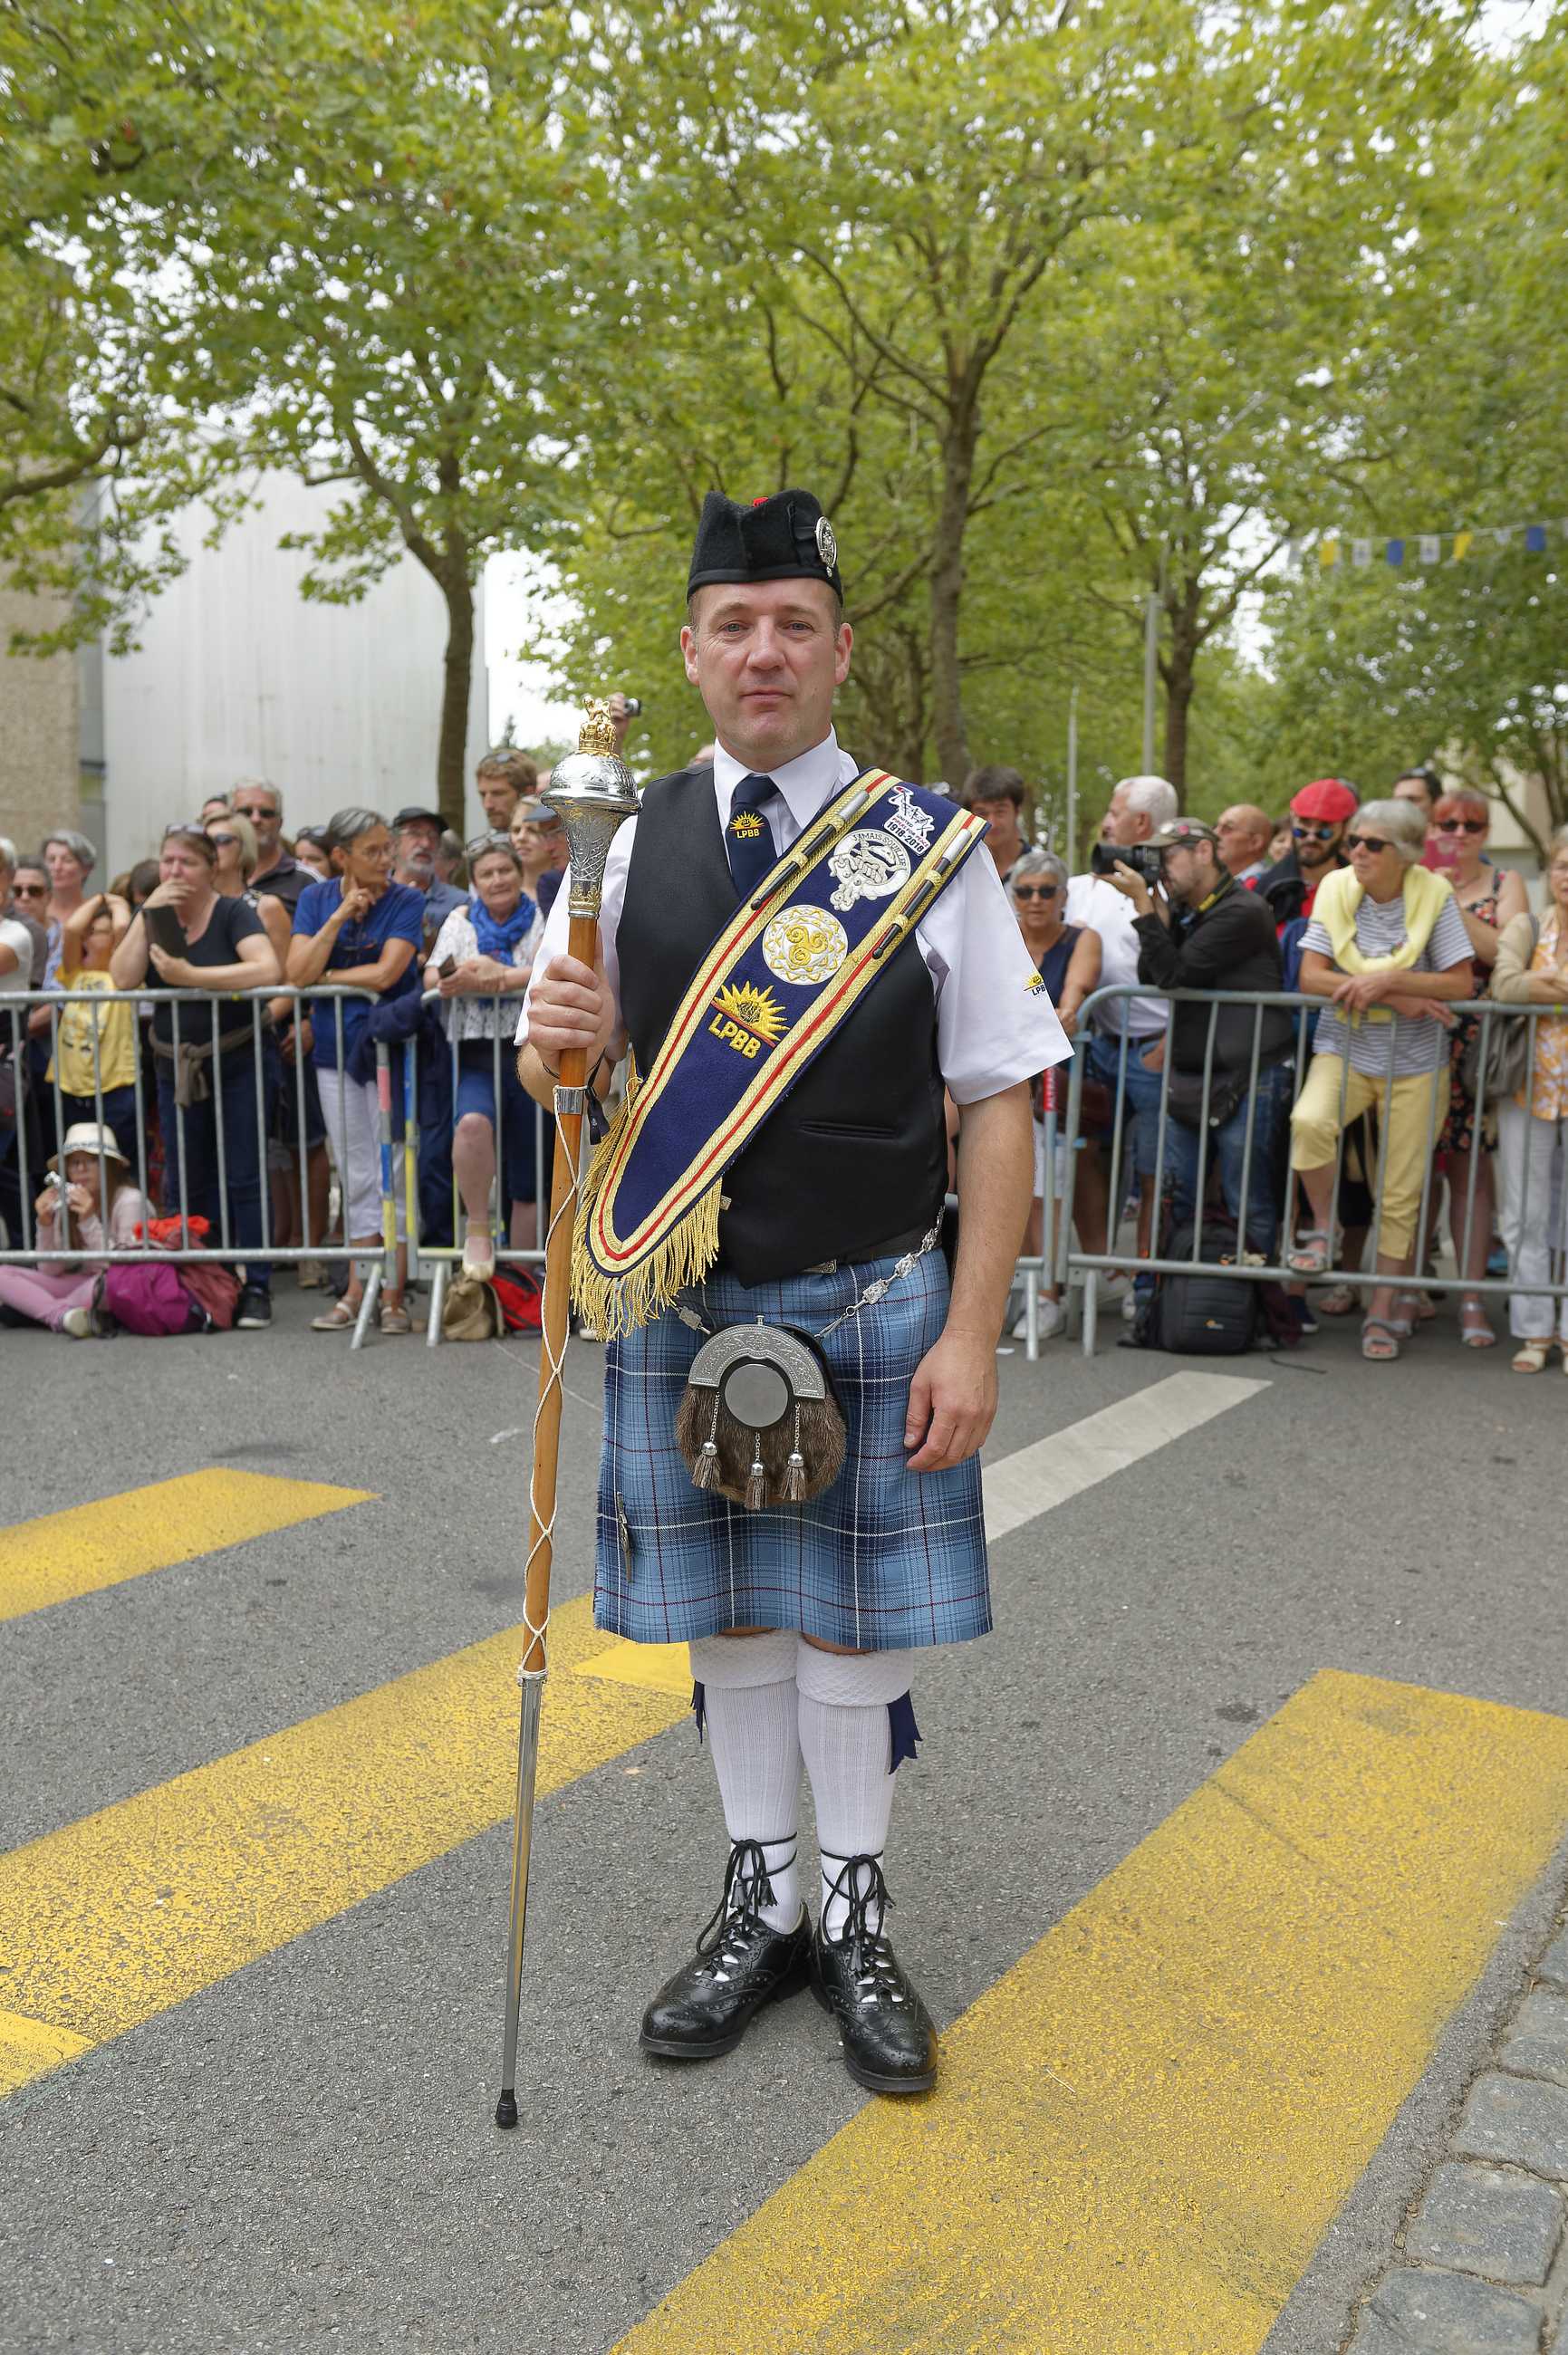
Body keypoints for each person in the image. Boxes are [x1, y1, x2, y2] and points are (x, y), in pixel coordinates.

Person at [520, 487, 1067, 2097]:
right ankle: (765, 1896)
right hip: (691, 1301)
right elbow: (581, 1072)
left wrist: (971, 1334)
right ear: (692, 652)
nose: (765, 652)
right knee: (739, 1624)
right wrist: (555, 1035)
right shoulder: (623, 848)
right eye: (735, 625)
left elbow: (997, 1103)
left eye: (796, 626)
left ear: (841, 655)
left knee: (850, 1640)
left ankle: (854, 1909)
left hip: (877, 1289)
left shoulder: (931, 849)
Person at [1287, 799, 1474, 1360]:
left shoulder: (1433, 893)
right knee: (1309, 1121)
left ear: (1406, 854)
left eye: (1372, 844)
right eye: (1355, 842)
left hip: (1416, 1061)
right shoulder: (1336, 888)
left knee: (1400, 1191)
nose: (1357, 852)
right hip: (1344, 1045)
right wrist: (1401, 996)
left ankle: (1383, 1310)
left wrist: (1386, 981)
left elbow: (1462, 984)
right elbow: (1310, 976)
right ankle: (1324, 1230)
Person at [110, 825, 283, 1328]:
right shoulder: (156, 916)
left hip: (236, 1058)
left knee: (244, 1173)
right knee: (187, 1176)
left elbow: (265, 967)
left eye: (186, 863)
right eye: (167, 862)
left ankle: (256, 1285)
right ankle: (202, 1278)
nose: (174, 872)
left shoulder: (232, 911)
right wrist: (147, 912)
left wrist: (192, 979)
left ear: (211, 870)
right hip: (173, 1066)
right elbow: (121, 977)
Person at [1110, 816, 1294, 1260]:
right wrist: (1158, 913)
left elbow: (1175, 974)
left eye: (1169, 855)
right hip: (1196, 1074)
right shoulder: (1195, 909)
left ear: (1205, 852)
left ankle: (1257, 1309)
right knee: (1179, 1196)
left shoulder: (1241, 910)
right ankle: (1176, 1311)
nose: (1161, 867)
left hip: (1248, 1076)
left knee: (1245, 1198)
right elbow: (1149, 973)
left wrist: (1143, 906)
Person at [287, 808, 424, 1334]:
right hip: (333, 1053)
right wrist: (339, 917)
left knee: (395, 1169)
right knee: (356, 1171)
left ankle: (394, 1296)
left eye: (388, 848)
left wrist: (327, 974)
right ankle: (354, 1289)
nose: (387, 860)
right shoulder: (316, 898)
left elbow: (390, 971)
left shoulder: (406, 899)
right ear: (341, 856)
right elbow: (295, 974)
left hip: (387, 1049)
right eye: (373, 851)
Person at [1065, 774, 1178, 1316]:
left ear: (1142, 824)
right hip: (1096, 1043)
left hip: (1157, 1049)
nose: (1105, 820)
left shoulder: (1170, 885)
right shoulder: (1085, 883)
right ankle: (1100, 1264)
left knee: (1156, 1168)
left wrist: (1172, 1039)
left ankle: (1146, 1284)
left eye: (1115, 811)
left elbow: (1183, 969)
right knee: (1084, 1154)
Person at [1425, 788, 1528, 1349]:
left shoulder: (1504, 883)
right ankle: (1407, 1289)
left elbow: (1505, 955)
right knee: (1411, 1171)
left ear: (1486, 832)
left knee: (1469, 1173)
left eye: (1472, 824)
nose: (1460, 833)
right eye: (1448, 823)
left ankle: (1469, 1298)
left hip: (1477, 1048)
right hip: (1417, 1036)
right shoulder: (1413, 874)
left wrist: (1446, 908)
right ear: (1433, 827)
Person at [426, 833, 541, 1274]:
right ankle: (478, 1229)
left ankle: (522, 1279)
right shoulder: (460, 921)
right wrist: (460, 978)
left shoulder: (538, 916)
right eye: (487, 874)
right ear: (474, 882)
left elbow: (551, 965)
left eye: (504, 870)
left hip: (529, 1049)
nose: (498, 880)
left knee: (527, 1159)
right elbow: (433, 976)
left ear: (517, 872)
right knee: (472, 1125)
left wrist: (502, 977)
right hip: (474, 1052)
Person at [1008, 849, 1100, 1341]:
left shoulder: (1082, 939)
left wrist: (1062, 1014)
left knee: (1048, 1183)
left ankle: (1048, 1292)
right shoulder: (1003, 936)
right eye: (1025, 891)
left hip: (1058, 1076)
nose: (1036, 900)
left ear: (1064, 897)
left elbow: (1074, 1000)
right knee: (1003, 1181)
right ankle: (1015, 1284)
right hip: (1004, 1075)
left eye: (1047, 891)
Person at [1491, 829, 1568, 1371]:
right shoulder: (1528, 925)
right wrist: (1547, 978)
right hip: (1527, 1085)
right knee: (1525, 1211)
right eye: (1562, 865)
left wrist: (1540, 980)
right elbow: (1505, 987)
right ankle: (1535, 1331)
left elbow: (1525, 984)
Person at [0, 1122, 149, 1337]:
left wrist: (88, 1221)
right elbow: (49, 1270)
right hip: (79, 1282)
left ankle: (39, 1310)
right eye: (74, 1163)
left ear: (110, 1166)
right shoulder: (66, 1201)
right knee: (3, 1273)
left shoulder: (130, 1200)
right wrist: (45, 1224)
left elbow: (125, 1266)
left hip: (111, 1283)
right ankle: (63, 1316)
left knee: (106, 1284)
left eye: (91, 1161)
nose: (80, 1170)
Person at [44, 890, 139, 1168]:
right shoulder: (75, 973)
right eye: (89, 933)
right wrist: (99, 898)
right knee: (74, 1164)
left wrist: (117, 903)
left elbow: (124, 927)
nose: (87, 938)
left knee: (117, 1163)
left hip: (114, 1086)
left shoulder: (125, 978)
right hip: (70, 1085)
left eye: (97, 932)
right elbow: (72, 929)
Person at [1258, 779, 1358, 931]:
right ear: (1293, 820)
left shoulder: (1360, 889)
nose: (1311, 838)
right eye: (1303, 826)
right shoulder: (1265, 889)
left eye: (1324, 829)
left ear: (1346, 829)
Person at [391, 804, 467, 947]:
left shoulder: (459, 903)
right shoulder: (374, 894)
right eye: (415, 833)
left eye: (433, 836)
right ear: (394, 842)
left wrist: (425, 928)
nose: (426, 844)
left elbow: (460, 961)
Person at [231, 781, 310, 911]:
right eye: (245, 812)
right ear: (229, 818)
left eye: (266, 813)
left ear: (280, 822)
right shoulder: (212, 874)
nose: (255, 819)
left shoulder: (307, 881)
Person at [961, 764, 1034, 885]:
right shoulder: (960, 870)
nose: (992, 823)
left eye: (1000, 811)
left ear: (1017, 812)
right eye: (982, 813)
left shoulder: (1044, 867)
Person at [475, 747, 537, 831]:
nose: (488, 805)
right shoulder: (488, 843)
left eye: (498, 794)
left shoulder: (553, 842)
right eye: (483, 795)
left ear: (528, 794)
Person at [1215, 805, 1275, 884]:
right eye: (1215, 826)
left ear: (1255, 842)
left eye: (1227, 828)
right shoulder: (1218, 883)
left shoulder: (1266, 887)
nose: (1215, 834)